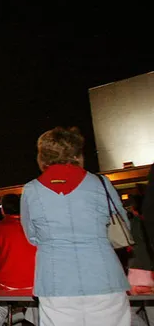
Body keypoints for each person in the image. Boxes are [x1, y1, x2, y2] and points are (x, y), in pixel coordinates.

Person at [21, 127, 130, 325]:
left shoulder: (31, 189)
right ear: (77, 154)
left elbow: (32, 236)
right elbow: (124, 224)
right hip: (104, 276)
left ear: (42, 156)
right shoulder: (101, 183)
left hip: (55, 280)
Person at [0, 194, 36, 326]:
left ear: (2, 210)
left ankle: (1, 320)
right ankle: (20, 316)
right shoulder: (34, 226)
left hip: (7, 284)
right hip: (34, 283)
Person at [126, 194, 154, 326]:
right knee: (150, 305)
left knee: (131, 308)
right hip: (148, 266)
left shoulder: (135, 222)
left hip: (139, 267)